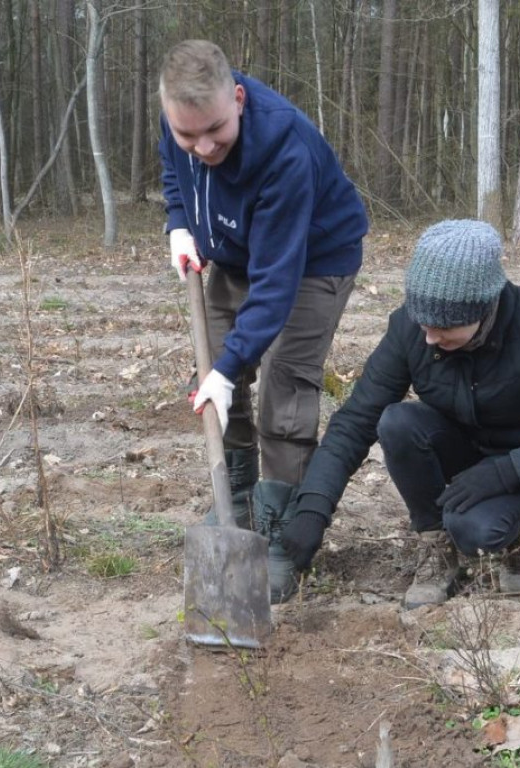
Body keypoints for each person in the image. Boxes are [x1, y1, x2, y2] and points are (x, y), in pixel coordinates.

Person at [278, 219, 520, 607]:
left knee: (474, 530)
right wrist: (314, 507)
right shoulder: (409, 330)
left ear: (483, 308)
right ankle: (436, 544)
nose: (429, 338)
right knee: (397, 422)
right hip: (461, 446)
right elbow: (356, 420)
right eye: (423, 323)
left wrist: (506, 472)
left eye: (443, 327)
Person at [159, 40, 368, 561]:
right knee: (212, 373)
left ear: (238, 99)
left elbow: (276, 283)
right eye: (188, 135)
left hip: (314, 259)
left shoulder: (283, 149)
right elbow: (175, 171)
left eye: (216, 130)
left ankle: (282, 525)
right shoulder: (181, 119)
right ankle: (239, 499)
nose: (204, 146)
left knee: (284, 386)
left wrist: (231, 368)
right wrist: (179, 222)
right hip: (235, 253)